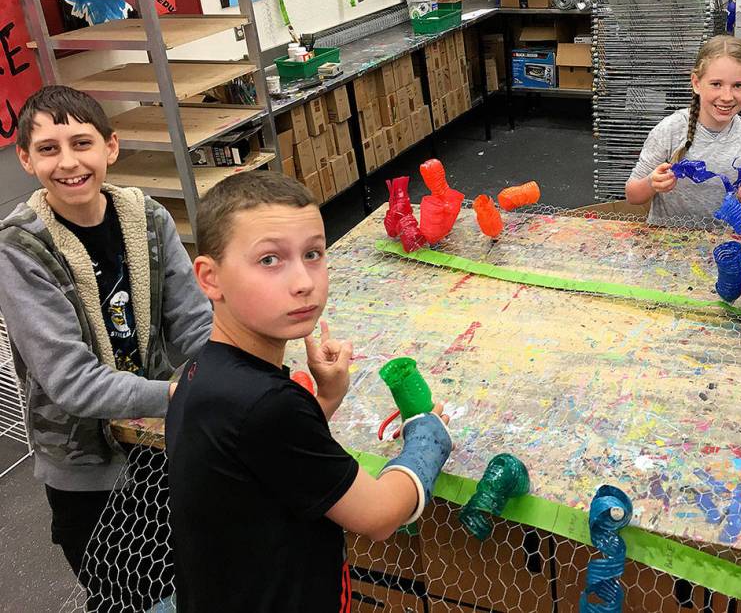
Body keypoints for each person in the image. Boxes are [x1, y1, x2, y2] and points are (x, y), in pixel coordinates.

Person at [166, 170, 453, 612]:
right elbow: (377, 516)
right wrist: (427, 437)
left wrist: (328, 398)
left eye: (313, 254)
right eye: (269, 260)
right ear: (210, 278)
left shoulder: (205, 370)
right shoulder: (266, 404)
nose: (303, 281)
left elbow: (268, 459)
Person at [0, 86, 211, 583]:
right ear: (26, 159)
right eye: (49, 149)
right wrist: (183, 394)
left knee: (191, 575)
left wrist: (232, 373)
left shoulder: (147, 217)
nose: (68, 162)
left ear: (110, 147)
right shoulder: (20, 248)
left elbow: (193, 322)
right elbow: (72, 381)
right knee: (124, 592)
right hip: (87, 470)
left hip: (159, 443)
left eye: (82, 143)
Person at [625, 35, 741, 224]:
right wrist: (652, 182)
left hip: (724, 240)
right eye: (716, 84)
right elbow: (633, 195)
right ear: (696, 83)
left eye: (738, 86)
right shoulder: (670, 130)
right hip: (668, 240)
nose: (727, 96)